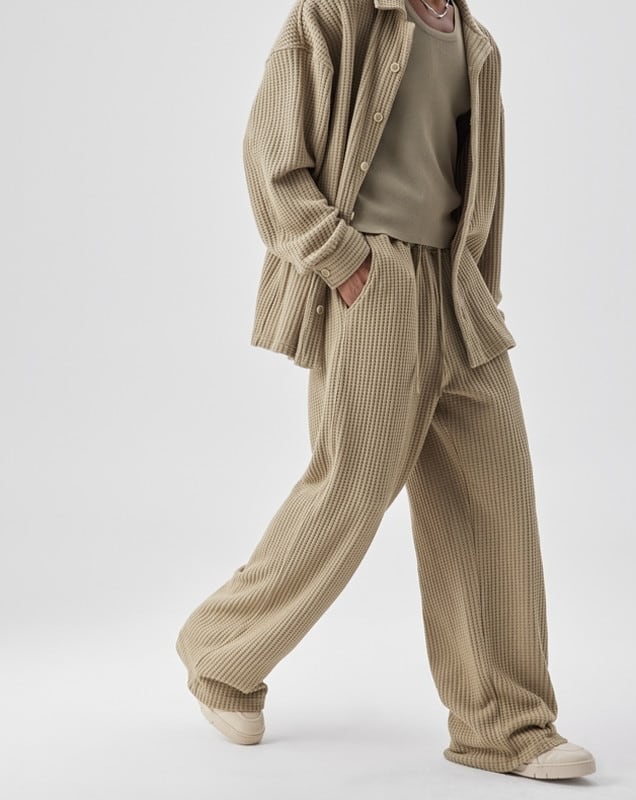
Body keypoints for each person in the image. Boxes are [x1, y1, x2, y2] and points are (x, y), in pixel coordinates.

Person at [175, 0, 596, 781]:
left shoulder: (476, 42)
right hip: (374, 279)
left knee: (496, 495)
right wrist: (340, 259)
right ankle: (221, 655)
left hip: (455, 290)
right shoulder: (335, 14)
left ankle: (504, 726)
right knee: (353, 487)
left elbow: (480, 185)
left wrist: (478, 287)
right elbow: (270, 150)